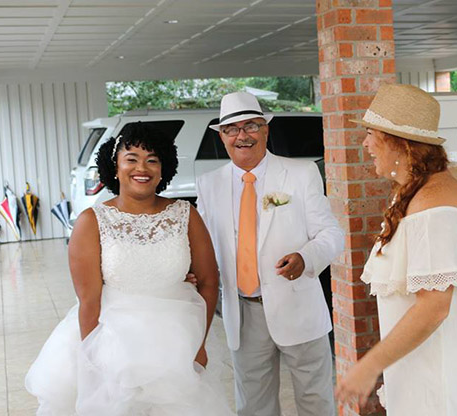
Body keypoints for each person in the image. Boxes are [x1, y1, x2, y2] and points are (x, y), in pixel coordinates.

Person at [25, 122, 233, 416]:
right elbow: (88, 301)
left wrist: (199, 344)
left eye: (152, 160)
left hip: (175, 344)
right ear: (116, 165)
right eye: (131, 158)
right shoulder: (91, 221)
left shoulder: (186, 215)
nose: (142, 168)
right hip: (113, 344)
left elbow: (210, 282)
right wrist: (93, 362)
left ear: (164, 169)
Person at [335, 84, 457, 415]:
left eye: (372, 134)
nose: (366, 144)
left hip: (443, 384)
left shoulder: (433, 208)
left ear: (401, 144)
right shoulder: (419, 192)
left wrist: (369, 366)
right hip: (428, 374)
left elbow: (433, 308)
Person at [195, 91, 344, 416]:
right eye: (232, 129)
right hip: (243, 313)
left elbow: (331, 235)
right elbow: (203, 246)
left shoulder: (300, 173)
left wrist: (307, 258)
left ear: (266, 129)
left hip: (298, 306)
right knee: (254, 407)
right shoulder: (209, 184)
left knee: (315, 403)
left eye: (250, 126)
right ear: (222, 136)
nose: (242, 136)